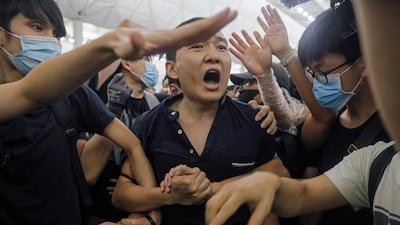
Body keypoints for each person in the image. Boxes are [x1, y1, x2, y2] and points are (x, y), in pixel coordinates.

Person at [0, 1, 238, 224]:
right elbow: (29, 92)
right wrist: (109, 44)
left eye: (57, 35)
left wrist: (150, 214)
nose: (51, 43)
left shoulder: (74, 95)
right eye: (38, 27)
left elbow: (130, 146)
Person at [205, 1, 400, 225]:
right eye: (311, 74)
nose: (317, 84)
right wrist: (269, 71)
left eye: (323, 72)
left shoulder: (389, 133)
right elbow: (302, 191)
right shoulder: (331, 125)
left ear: (364, 61)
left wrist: (286, 54)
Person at [112, 17, 288, 225]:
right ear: (172, 69)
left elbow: (279, 173)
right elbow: (121, 194)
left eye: (221, 47)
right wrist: (169, 195)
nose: (213, 55)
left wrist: (213, 188)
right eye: (197, 46)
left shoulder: (255, 119)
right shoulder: (148, 124)